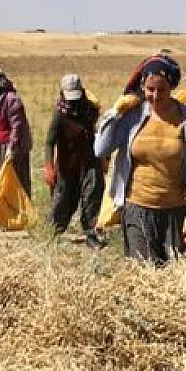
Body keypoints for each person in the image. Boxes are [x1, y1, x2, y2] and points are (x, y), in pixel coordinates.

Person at [95, 53, 186, 265]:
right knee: (143, 277)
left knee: (177, 279)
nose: (156, 96)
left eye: (162, 90)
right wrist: (114, 114)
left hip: (176, 212)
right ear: (142, 87)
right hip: (137, 209)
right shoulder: (132, 116)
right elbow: (100, 149)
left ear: (173, 87)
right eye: (150, 90)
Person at [44, 73, 106, 247]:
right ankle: (51, 232)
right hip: (67, 165)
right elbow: (49, 142)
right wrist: (48, 166)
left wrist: (103, 159)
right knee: (63, 202)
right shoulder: (60, 115)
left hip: (89, 162)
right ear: (62, 93)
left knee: (92, 197)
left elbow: (98, 131)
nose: (73, 101)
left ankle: (91, 234)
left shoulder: (89, 110)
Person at [0, 66, 32, 200]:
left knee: (16, 181)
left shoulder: (12, 99)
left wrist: (11, 148)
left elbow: (17, 126)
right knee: (0, 179)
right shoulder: (0, 99)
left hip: (15, 147)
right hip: (3, 144)